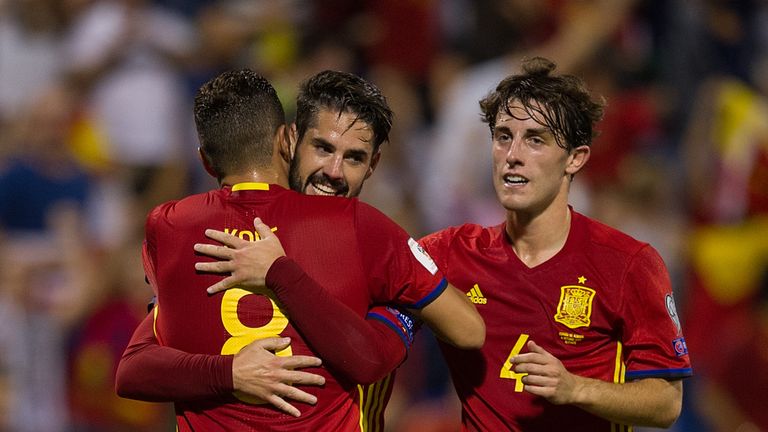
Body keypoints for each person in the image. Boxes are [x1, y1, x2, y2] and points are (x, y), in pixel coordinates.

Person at [190, 57, 693, 431]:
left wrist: (575, 388)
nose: (512, 156)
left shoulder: (630, 263)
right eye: (502, 137)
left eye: (535, 140)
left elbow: (665, 403)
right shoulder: (444, 254)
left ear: (576, 159)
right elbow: (376, 349)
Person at [118, 68, 483, 431]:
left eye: (354, 157)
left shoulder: (171, 225)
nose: (334, 171)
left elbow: (467, 330)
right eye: (323, 148)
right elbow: (136, 367)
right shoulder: (360, 228)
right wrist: (230, 372)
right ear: (289, 139)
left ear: (373, 166)